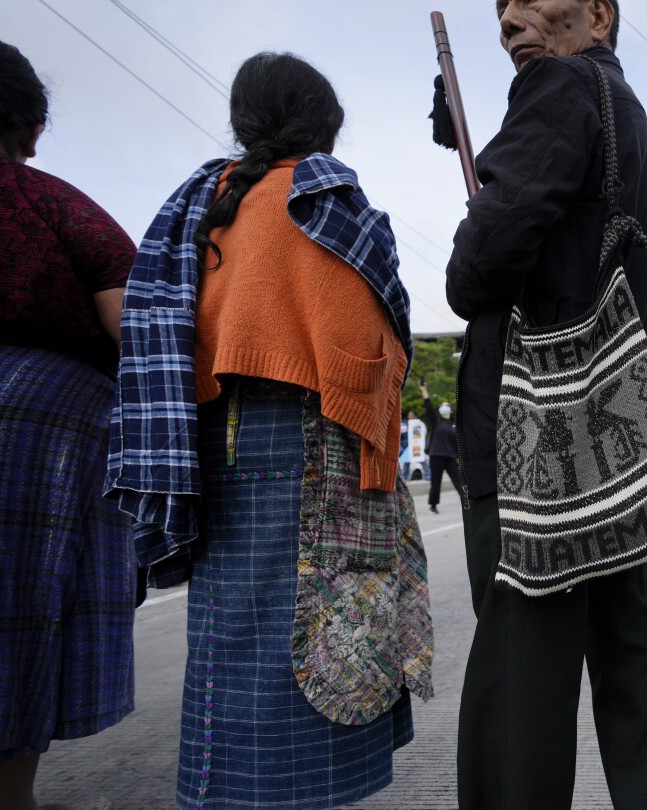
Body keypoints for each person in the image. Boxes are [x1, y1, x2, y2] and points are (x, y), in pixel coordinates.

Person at [106, 52, 433, 809]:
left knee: (230, 632)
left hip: (213, 437)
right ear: (322, 122)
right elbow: (367, 344)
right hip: (311, 438)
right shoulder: (325, 197)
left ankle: (217, 791)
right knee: (327, 620)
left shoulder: (207, 199)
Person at [443, 0, 647, 806]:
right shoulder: (626, 112)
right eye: (500, 7)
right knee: (635, 671)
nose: (510, 17)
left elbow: (477, 267)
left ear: (599, 14)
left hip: (530, 449)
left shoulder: (557, 88)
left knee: (522, 693)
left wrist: (481, 212)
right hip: (623, 443)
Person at [0, 37, 137, 810]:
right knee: (15, 628)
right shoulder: (57, 204)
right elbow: (136, 332)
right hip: (38, 433)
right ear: (28, 130)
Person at [419, 380, 462, 513]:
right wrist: (424, 390)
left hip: (451, 457)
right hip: (436, 456)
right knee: (436, 482)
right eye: (442, 406)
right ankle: (433, 505)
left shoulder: (455, 424)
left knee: (458, 481)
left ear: (450, 409)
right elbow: (429, 406)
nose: (444, 407)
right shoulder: (437, 421)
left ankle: (467, 503)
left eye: (446, 406)